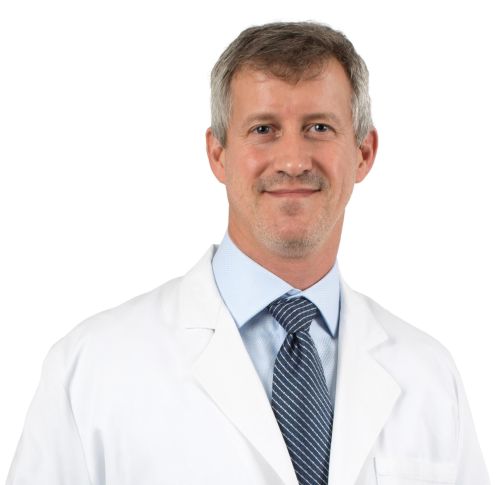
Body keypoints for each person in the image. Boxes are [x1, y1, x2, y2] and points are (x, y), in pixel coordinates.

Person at [6, 21, 489, 485]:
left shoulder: (429, 375)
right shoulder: (93, 366)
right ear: (218, 154)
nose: (294, 161)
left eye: (319, 127)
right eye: (263, 129)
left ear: (363, 153)